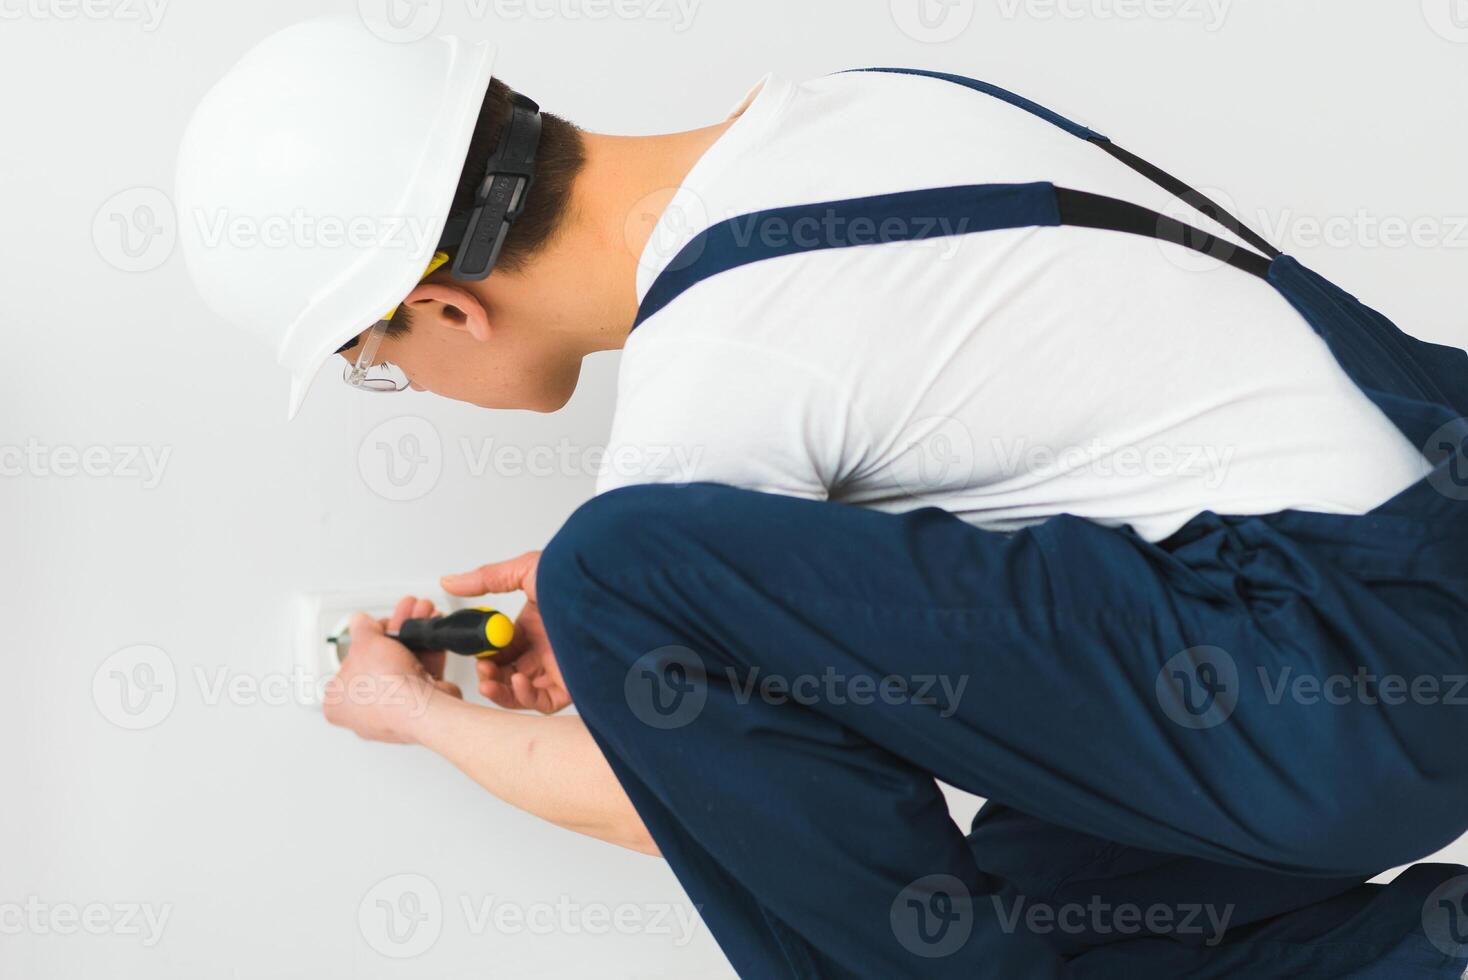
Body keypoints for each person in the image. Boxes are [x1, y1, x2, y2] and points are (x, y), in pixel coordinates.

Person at [177, 16, 1468, 978]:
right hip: (1397, 617)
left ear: (444, 306)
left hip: (1326, 679)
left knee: (610, 569)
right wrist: (712, 625)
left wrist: (417, 715)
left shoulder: (717, 368)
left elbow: (688, 821)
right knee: (1049, 922)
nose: (411, 382)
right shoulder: (855, 106)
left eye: (381, 367)